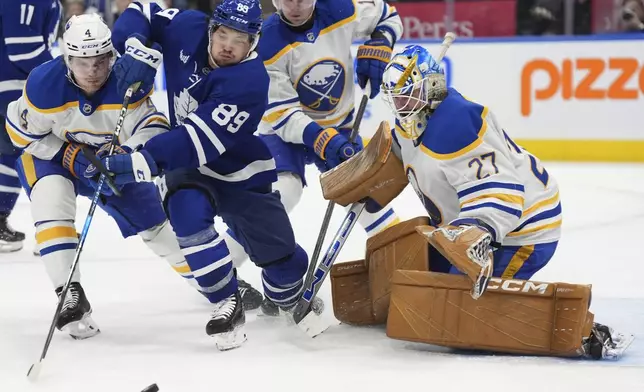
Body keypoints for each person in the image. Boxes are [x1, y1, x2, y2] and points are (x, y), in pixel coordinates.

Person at [324, 43, 632, 360]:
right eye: (396, 97)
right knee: (416, 275)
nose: (400, 105)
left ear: (430, 86)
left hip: (521, 229)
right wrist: (362, 178)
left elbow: (503, 191)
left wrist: (476, 229)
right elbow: (399, 164)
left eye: (407, 95)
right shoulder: (412, 121)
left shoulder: (456, 125)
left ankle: (582, 331)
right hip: (463, 225)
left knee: (460, 317)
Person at [95, 0, 323, 350]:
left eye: (241, 39)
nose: (229, 45)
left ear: (254, 43)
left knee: (284, 265)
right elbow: (143, 8)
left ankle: (287, 296)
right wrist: (135, 46)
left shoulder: (250, 81)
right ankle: (226, 302)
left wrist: (138, 162)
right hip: (187, 170)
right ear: (211, 29)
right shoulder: (186, 26)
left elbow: (197, 140)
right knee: (187, 215)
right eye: (223, 34)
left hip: (241, 173)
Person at [5, 13, 190, 340]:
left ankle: (213, 279)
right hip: (53, 158)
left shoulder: (128, 79)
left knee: (156, 227)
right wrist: (65, 154)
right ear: (67, 58)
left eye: (99, 61)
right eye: (81, 62)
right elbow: (19, 133)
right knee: (50, 201)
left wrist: (128, 152)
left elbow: (154, 125)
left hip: (109, 164)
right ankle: (69, 293)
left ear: (111, 56)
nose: (92, 70)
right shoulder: (43, 83)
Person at [251, 0, 403, 314]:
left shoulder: (342, 9)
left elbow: (388, 15)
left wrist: (380, 41)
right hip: (283, 133)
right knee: (280, 197)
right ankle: (228, 272)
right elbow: (282, 113)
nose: (294, 5)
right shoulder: (264, 41)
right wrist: (322, 140)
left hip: (341, 126)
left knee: (367, 198)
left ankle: (402, 268)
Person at [0, 0, 62, 252]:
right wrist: (62, 73)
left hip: (13, 87)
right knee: (45, 153)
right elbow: (22, 49)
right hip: (16, 90)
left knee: (12, 154)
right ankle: (53, 230)